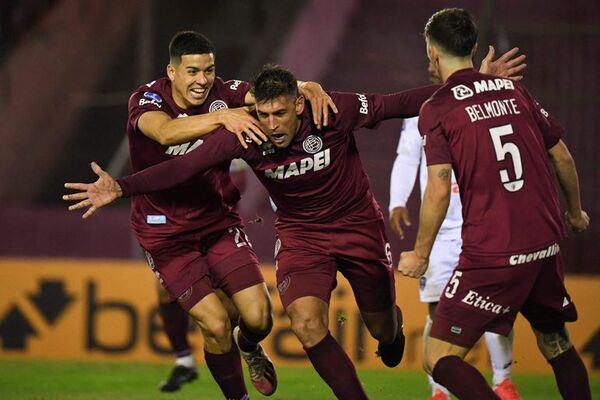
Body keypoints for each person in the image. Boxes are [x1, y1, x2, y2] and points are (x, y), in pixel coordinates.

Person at [64, 52, 522, 398]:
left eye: (278, 114)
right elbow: (181, 168)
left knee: (382, 329)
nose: (269, 125)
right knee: (305, 325)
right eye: (261, 114)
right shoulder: (246, 133)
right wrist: (121, 188)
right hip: (301, 235)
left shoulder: (332, 110)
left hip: (357, 225)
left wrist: (474, 84)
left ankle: (392, 330)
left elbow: (397, 103)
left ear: (299, 107)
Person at [91, 31, 334, 399]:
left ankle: (250, 347)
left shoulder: (224, 92)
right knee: (216, 323)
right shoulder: (146, 99)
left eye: (208, 70)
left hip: (218, 223)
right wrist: (225, 119)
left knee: (258, 319)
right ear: (171, 72)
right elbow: (167, 133)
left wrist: (306, 85)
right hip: (166, 235)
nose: (202, 80)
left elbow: (272, 94)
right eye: (192, 71)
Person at [398, 8, 591, 400]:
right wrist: (574, 212)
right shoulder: (514, 91)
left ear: (432, 51)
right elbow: (563, 157)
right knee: (556, 344)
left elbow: (437, 188)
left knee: (438, 357)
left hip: (493, 252)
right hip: (544, 243)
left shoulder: (437, 108)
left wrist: (420, 253)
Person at [390, 116, 521, 400]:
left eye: (434, 65)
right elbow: (407, 158)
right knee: (438, 310)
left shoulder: (479, 108)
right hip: (438, 231)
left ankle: (503, 382)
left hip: (483, 225)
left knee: (494, 308)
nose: (431, 67)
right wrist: (397, 201)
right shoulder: (420, 113)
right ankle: (439, 391)